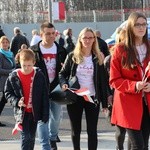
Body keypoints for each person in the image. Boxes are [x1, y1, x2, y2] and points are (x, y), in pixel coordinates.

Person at [59, 27, 108, 150]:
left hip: (92, 97)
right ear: (80, 39)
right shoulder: (72, 56)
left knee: (92, 131)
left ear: (94, 40)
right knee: (76, 130)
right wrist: (64, 83)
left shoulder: (98, 58)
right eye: (85, 37)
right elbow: (62, 74)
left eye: (90, 37)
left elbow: (103, 81)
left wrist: (105, 103)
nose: (87, 40)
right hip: (75, 97)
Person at [110, 12, 150, 150]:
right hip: (128, 104)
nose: (141, 27)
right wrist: (135, 85)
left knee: (144, 144)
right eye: (137, 24)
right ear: (130, 27)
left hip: (146, 103)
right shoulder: (121, 49)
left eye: (144, 24)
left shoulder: (149, 46)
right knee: (138, 145)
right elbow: (114, 80)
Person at [30, 22, 67, 150]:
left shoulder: (61, 50)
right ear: (41, 35)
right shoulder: (33, 50)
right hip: (40, 89)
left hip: (56, 88)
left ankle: (53, 137)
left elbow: (67, 70)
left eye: (53, 33)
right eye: (48, 34)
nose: (51, 36)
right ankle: (46, 145)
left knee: (56, 117)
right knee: (42, 118)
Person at [4, 49, 49, 150]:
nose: (27, 68)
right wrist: (16, 101)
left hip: (34, 112)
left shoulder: (39, 75)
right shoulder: (14, 76)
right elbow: (7, 93)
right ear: (20, 62)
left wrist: (45, 113)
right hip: (21, 113)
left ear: (34, 62)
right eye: (24, 65)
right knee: (26, 136)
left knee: (31, 137)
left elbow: (44, 95)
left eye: (29, 65)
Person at [0, 36, 15, 127]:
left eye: (6, 42)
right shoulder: (0, 54)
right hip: (3, 81)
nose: (5, 44)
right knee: (2, 101)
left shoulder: (11, 53)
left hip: (11, 81)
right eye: (3, 42)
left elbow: (14, 66)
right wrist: (11, 71)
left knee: (4, 101)